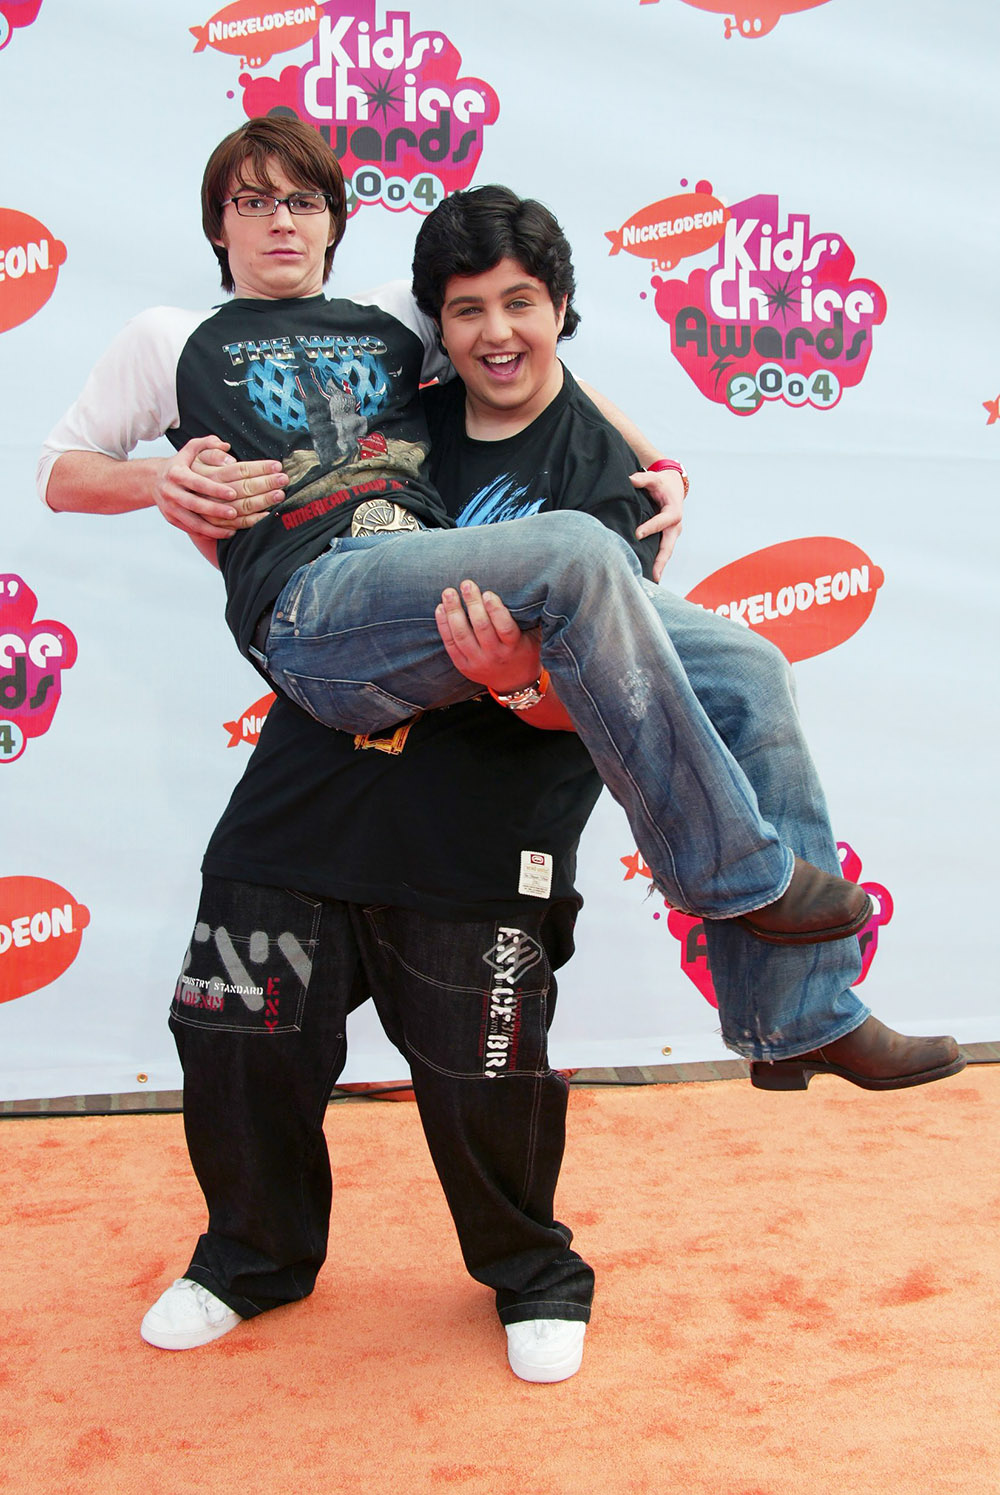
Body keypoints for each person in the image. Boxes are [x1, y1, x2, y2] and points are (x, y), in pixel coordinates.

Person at [37, 123, 963, 1381]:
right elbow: (61, 470)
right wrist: (158, 487)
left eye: (300, 200)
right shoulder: (171, 337)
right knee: (249, 1028)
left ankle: (792, 1016)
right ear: (218, 226)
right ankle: (737, 879)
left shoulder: (391, 335)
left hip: (436, 668)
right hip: (318, 621)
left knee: (747, 665)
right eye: (250, 204)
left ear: (332, 218)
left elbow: (541, 369)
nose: (277, 223)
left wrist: (662, 465)